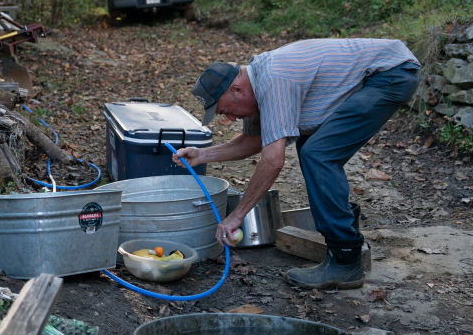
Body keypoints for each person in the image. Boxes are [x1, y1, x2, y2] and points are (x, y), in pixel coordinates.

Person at [172, 38, 420, 290]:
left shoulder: (274, 80)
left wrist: (237, 216)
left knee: (318, 154)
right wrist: (202, 155)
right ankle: (344, 234)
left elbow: (273, 160)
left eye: (226, 110)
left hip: (389, 74)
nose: (231, 118)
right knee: (313, 147)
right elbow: (253, 141)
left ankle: (345, 259)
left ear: (237, 90)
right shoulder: (258, 86)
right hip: (384, 71)